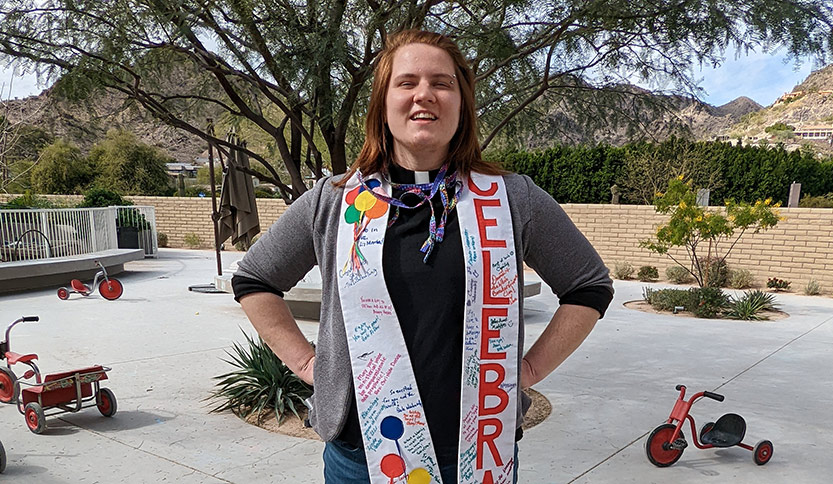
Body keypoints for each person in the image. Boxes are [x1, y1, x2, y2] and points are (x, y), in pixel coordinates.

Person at [233, 30, 613, 484]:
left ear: (462, 104)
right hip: (363, 459)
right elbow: (255, 279)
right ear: (382, 102)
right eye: (406, 81)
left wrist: (528, 369)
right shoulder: (335, 201)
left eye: (442, 83)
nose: (424, 95)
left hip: (477, 455)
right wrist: (308, 364)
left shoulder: (511, 198)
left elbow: (588, 286)